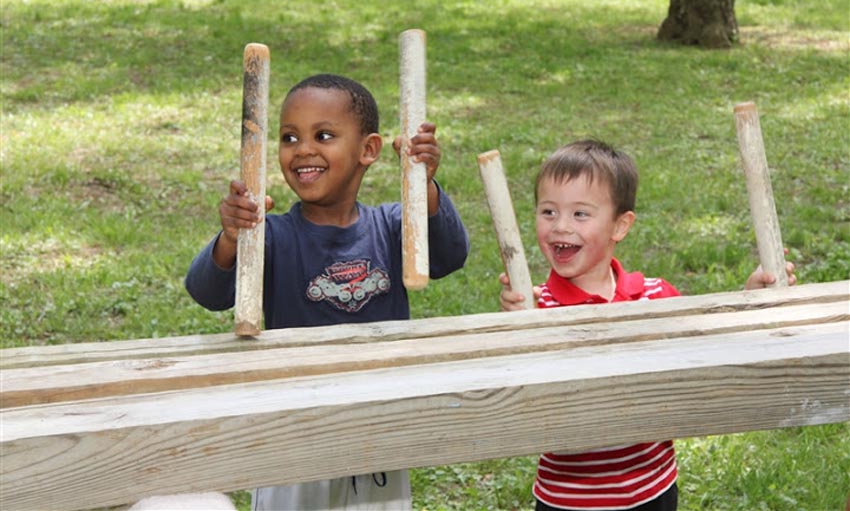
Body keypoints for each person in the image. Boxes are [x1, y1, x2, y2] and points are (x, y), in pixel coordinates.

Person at [185, 73, 470, 511]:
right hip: (295, 433)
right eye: (289, 137)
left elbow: (449, 254)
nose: (303, 149)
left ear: (368, 150)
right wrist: (232, 237)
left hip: (378, 430)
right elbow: (207, 291)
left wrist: (424, 186)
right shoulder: (271, 235)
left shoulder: (393, 226)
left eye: (323, 135)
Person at [498, 139, 796, 511]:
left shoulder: (654, 295)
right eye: (548, 212)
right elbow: (520, 390)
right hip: (571, 498)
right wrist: (517, 328)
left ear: (620, 226)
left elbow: (709, 341)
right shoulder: (537, 307)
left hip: (654, 487)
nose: (560, 226)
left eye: (580, 214)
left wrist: (749, 299)